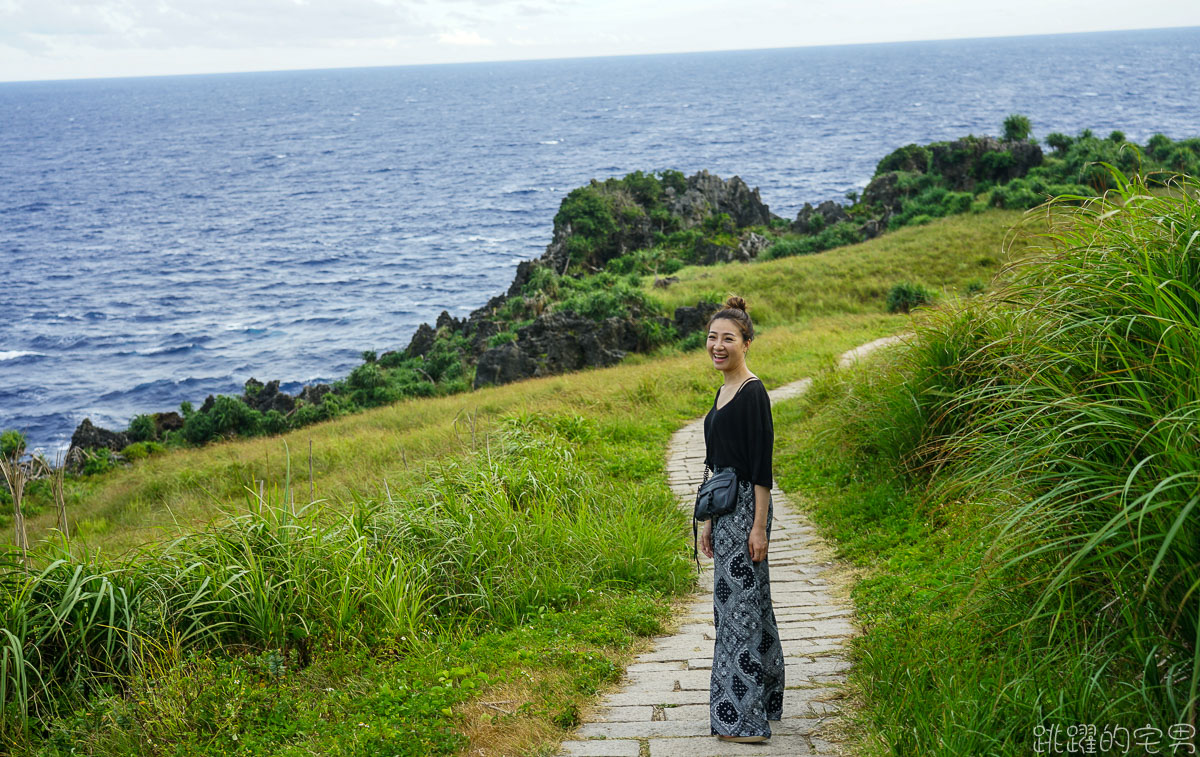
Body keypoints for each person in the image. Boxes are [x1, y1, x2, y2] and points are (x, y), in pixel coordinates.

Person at [698, 295, 785, 743]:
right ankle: (767, 699)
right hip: (725, 513)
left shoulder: (753, 393)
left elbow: (761, 467)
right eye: (712, 337)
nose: (718, 345)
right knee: (748, 606)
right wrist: (708, 521)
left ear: (746, 342)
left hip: (748, 512)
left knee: (739, 614)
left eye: (728, 338)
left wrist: (758, 528)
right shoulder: (722, 390)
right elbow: (717, 465)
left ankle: (744, 720)